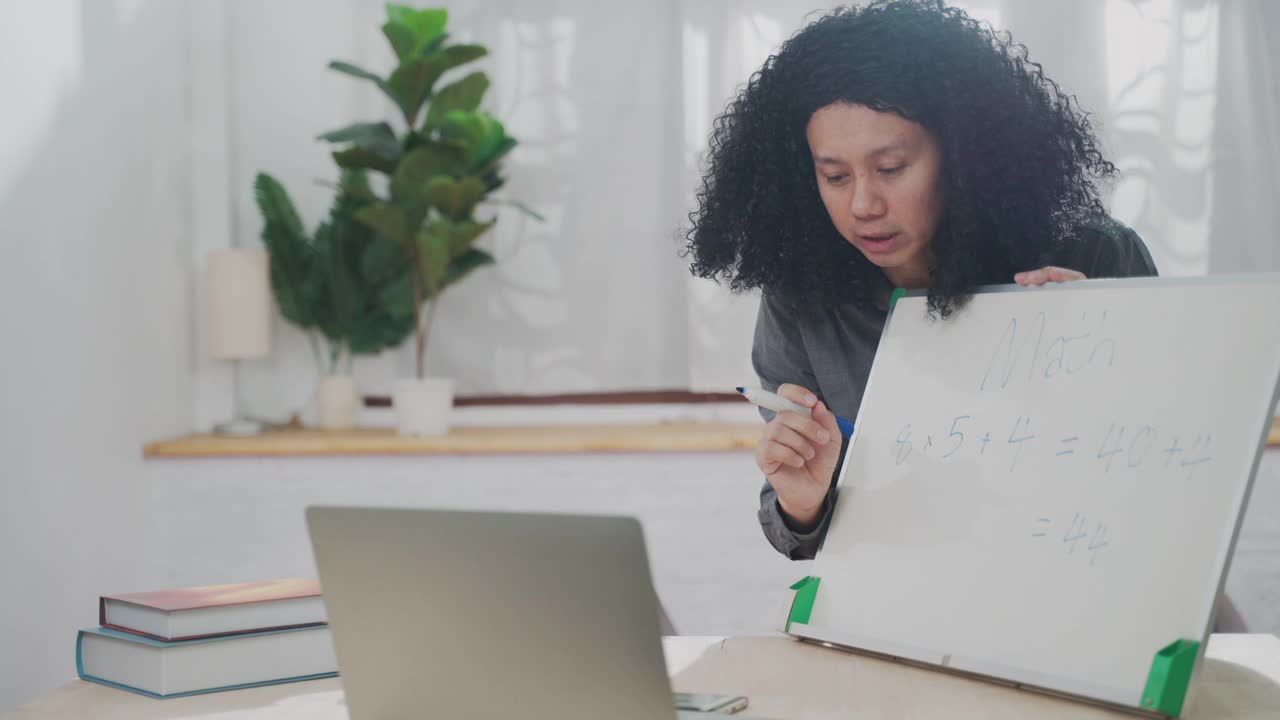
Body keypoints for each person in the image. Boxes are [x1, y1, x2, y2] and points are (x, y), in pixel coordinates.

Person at [683, 1, 1162, 558]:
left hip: (1078, 569)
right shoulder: (800, 297)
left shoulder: (1096, 254)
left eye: (890, 169)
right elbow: (800, 531)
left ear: (965, 155)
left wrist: (1101, 359)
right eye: (834, 176)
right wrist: (805, 502)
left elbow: (1173, 466)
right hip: (907, 598)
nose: (863, 203)